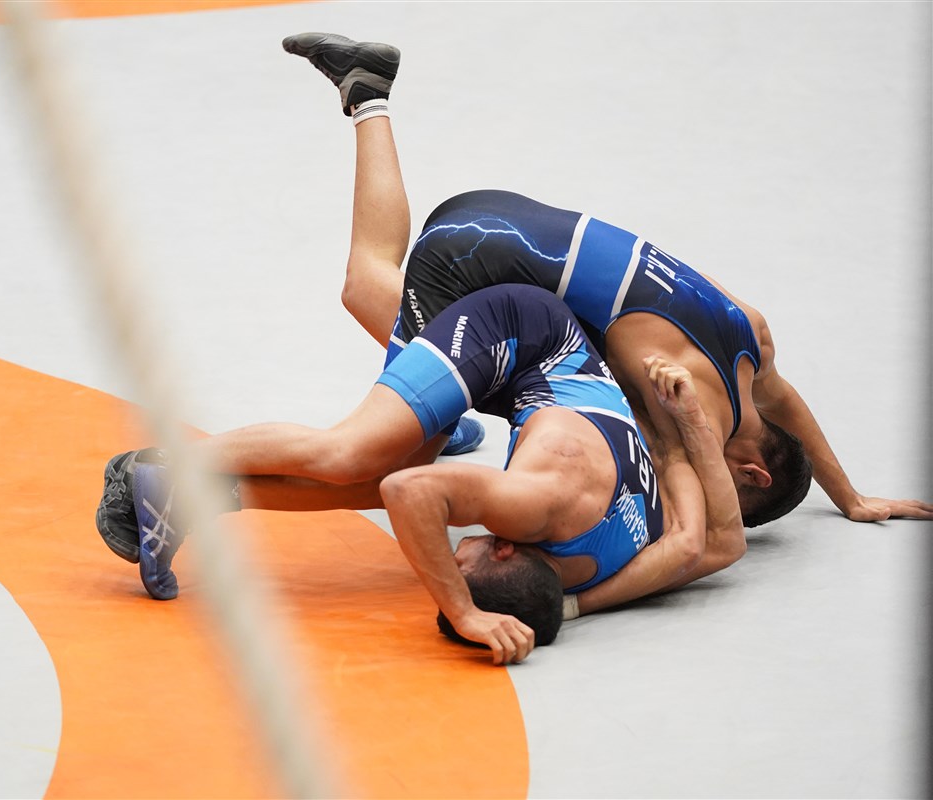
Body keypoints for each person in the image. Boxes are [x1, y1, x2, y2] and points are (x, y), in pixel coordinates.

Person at [277, 32, 932, 615]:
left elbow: (786, 404)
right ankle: (222, 482)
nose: (709, 490)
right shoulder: (682, 409)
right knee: (385, 461)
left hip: (502, 217)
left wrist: (849, 496)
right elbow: (702, 539)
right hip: (474, 261)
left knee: (376, 297)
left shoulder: (752, 344)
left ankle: (368, 95)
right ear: (750, 473)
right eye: (727, 489)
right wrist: (585, 597)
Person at [97, 281, 730, 665]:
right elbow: (408, 493)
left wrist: (691, 424)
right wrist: (463, 611)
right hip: (519, 333)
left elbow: (716, 541)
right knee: (356, 459)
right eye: (462, 563)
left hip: (550, 398)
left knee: (386, 481)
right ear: (506, 548)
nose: (453, 554)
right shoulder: (534, 505)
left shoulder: (624, 558)